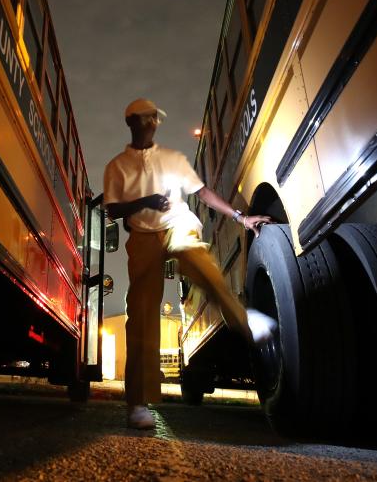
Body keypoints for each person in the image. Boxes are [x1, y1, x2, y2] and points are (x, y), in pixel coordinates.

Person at [103, 98, 276, 429]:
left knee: (193, 252)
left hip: (176, 223)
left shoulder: (172, 159)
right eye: (147, 118)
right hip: (142, 236)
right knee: (140, 313)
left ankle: (244, 319)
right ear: (133, 123)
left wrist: (241, 217)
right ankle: (137, 403)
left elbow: (203, 192)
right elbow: (113, 210)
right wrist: (145, 201)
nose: (153, 123)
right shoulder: (117, 166)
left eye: (156, 118)